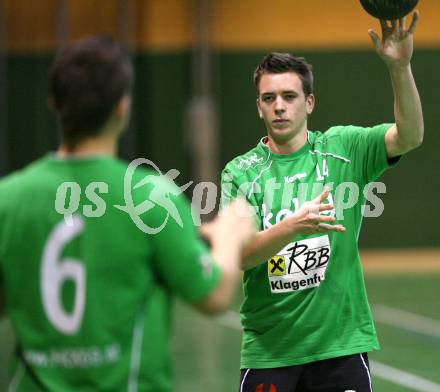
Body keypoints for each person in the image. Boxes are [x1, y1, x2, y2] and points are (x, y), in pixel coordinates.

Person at [0, 35, 256, 392]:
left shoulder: (8, 199)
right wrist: (230, 234)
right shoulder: (150, 196)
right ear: (122, 107)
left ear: (54, 104)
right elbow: (213, 296)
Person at [221, 12, 423, 392]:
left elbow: (410, 135)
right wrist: (291, 228)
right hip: (271, 351)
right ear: (259, 107)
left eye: (289, 96)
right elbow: (240, 256)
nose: (279, 106)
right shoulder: (241, 172)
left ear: (309, 102)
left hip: (341, 348)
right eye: (269, 98)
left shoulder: (343, 148)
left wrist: (400, 68)